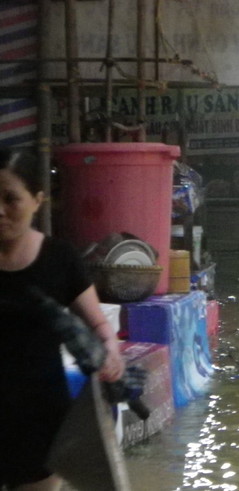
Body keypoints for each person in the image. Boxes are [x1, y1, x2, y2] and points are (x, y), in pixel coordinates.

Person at [0, 147, 125, 491]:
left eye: (11, 199)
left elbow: (99, 324)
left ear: (38, 200)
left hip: (42, 420)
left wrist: (109, 350)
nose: (0, 211)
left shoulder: (60, 259)